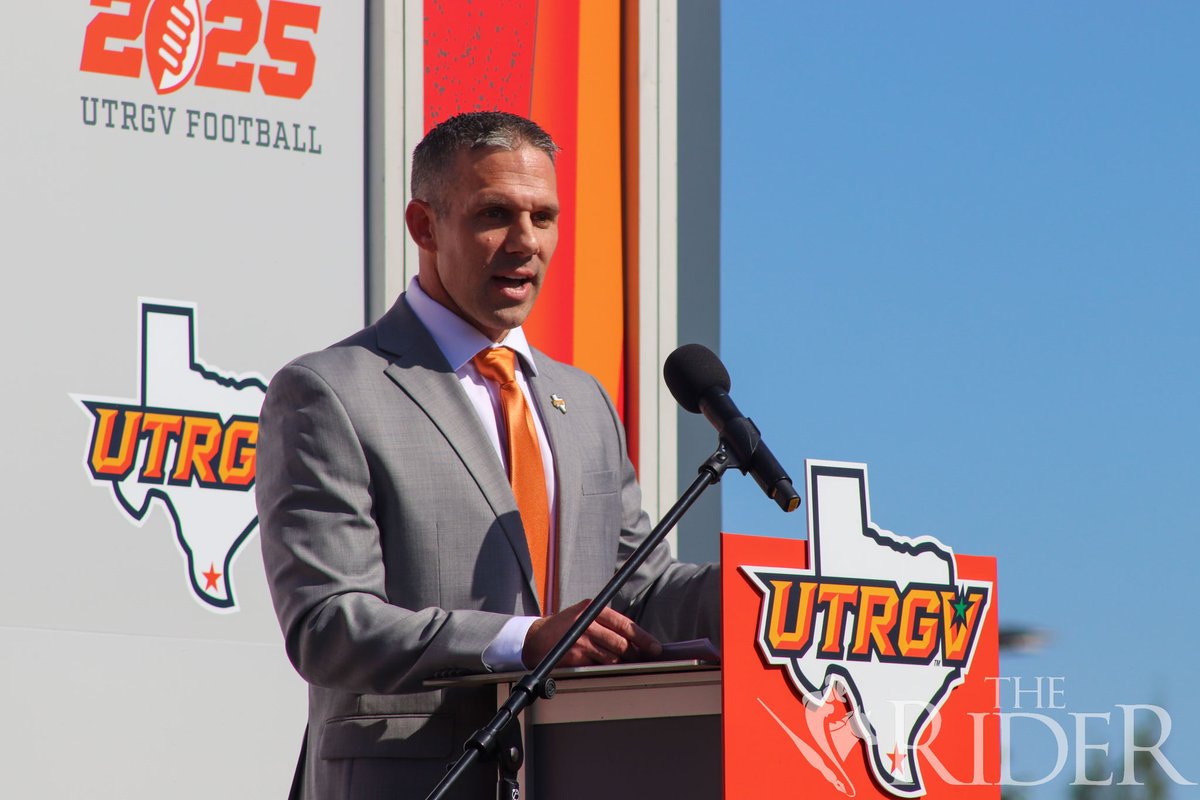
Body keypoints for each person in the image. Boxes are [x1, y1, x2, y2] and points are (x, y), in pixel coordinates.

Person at [256, 111, 720, 799]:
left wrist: (762, 598)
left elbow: (637, 592)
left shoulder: (583, 400)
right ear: (424, 226)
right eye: (494, 214)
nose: (525, 241)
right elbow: (330, 626)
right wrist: (520, 640)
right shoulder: (330, 391)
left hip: (583, 767)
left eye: (544, 215)